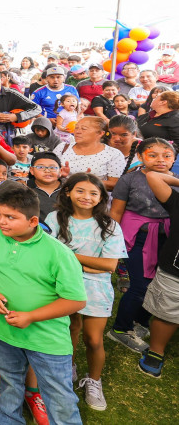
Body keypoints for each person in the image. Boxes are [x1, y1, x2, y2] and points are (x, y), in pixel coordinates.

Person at [0, 183, 86, 425]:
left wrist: (31, 316)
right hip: (1, 329)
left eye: (10, 217)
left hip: (46, 339)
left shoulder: (58, 253)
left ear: (33, 221)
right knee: (9, 379)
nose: (1, 221)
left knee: (59, 396)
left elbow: (76, 300)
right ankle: (7, 419)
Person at [46, 174, 126, 411]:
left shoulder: (109, 225)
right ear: (68, 191)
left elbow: (110, 265)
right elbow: (48, 255)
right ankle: (67, 367)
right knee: (69, 330)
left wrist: (68, 255)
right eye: (80, 191)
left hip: (96, 287)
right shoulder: (54, 218)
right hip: (62, 284)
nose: (86, 197)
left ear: (102, 197)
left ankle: (94, 380)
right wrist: (90, 262)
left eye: (94, 193)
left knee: (93, 339)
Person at [107, 138, 175, 353]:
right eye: (152, 154)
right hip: (137, 237)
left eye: (167, 155)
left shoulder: (174, 181)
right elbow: (116, 212)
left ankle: (140, 322)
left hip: (167, 239)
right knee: (139, 286)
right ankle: (120, 329)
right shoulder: (130, 180)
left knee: (157, 284)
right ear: (140, 156)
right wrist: (112, 241)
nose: (160, 160)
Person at [135, 168, 179, 377]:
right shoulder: (177, 201)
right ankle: (156, 351)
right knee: (166, 312)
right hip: (174, 271)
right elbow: (153, 176)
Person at [56, 117, 125, 191]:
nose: (77, 132)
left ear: (100, 133)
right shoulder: (63, 147)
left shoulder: (113, 154)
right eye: (76, 128)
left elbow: (115, 184)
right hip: (62, 197)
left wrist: (87, 181)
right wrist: (58, 174)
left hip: (94, 200)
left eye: (84, 129)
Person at [28, 151, 64, 222]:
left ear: (60, 170)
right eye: (40, 167)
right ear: (31, 170)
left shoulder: (68, 189)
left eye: (52, 167)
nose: (47, 170)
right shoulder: (24, 188)